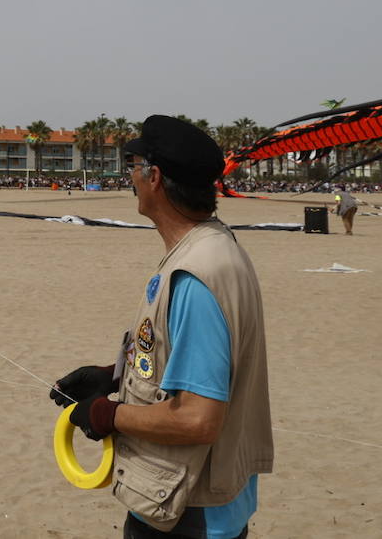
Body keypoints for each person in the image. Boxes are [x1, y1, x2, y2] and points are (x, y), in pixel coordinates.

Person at [51, 115, 272, 539]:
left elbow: (198, 420)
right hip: (195, 500)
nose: (129, 178)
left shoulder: (197, 273)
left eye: (132, 166)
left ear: (153, 177)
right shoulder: (212, 246)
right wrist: (113, 377)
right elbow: (190, 362)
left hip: (189, 512)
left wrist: (107, 414)